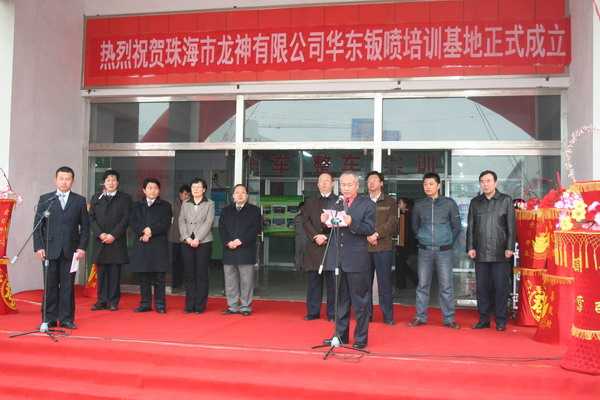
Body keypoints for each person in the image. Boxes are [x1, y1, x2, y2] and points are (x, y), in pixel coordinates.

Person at [321, 171, 375, 350]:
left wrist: (352, 222)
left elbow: (369, 228)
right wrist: (325, 221)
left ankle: (361, 337)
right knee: (340, 301)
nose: (345, 188)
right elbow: (332, 227)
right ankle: (340, 335)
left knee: (360, 302)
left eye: (349, 184)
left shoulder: (367, 204)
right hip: (338, 258)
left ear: (357, 186)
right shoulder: (336, 203)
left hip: (357, 259)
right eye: (343, 185)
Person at [33, 166, 89, 329]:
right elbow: (37, 226)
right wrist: (39, 247)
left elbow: (86, 227)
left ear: (72, 181)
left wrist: (82, 247)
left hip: (71, 250)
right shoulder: (46, 199)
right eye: (61, 178)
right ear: (55, 180)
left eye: (68, 179)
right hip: (49, 249)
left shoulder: (79, 201)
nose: (64, 182)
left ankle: (66, 319)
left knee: (67, 286)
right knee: (49, 285)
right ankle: (48, 318)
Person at [408, 172, 461, 329]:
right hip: (425, 251)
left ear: (438, 185)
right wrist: (421, 237)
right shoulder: (419, 205)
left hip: (444, 251)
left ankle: (449, 319)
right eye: (425, 184)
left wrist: (447, 241)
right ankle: (420, 317)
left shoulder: (449, 203)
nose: (427, 187)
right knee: (423, 285)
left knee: (446, 286)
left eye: (431, 184)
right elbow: (414, 226)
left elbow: (456, 227)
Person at [467, 170, 515, 332]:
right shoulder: (475, 202)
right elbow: (471, 227)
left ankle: (501, 320)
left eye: (488, 181)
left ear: (495, 183)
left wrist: (510, 247)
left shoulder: (506, 200)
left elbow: (511, 226)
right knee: (482, 288)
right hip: (480, 252)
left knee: (501, 288)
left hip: (500, 252)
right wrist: (470, 247)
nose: (485, 184)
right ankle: (483, 319)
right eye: (482, 181)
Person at [89, 169, 132, 311]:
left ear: (118, 183)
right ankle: (101, 300)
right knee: (101, 273)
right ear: (104, 182)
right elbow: (91, 218)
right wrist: (100, 234)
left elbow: (126, 219)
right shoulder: (96, 197)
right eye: (108, 180)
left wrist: (113, 235)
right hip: (100, 241)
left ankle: (113, 301)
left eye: (113, 180)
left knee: (114, 274)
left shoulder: (125, 198)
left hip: (116, 241)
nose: (111, 183)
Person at [129, 178, 172, 314]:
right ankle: (145, 303)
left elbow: (165, 224)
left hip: (158, 245)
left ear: (159, 190)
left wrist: (150, 231)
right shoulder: (136, 205)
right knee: (144, 276)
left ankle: (160, 304)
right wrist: (143, 231)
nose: (152, 190)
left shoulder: (165, 206)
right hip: (142, 244)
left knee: (159, 277)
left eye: (155, 188)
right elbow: (133, 222)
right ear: (144, 190)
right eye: (149, 188)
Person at [219, 184, 261, 316]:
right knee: (230, 281)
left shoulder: (254, 210)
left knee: (246, 281)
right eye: (237, 192)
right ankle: (232, 306)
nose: (240, 195)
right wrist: (228, 242)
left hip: (246, 250)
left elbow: (255, 229)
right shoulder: (226, 211)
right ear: (233, 196)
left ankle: (245, 307)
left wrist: (240, 241)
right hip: (229, 250)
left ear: (247, 196)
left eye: (243, 192)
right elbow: (222, 229)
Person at [300, 172, 336, 321]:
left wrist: (326, 236)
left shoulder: (339, 201)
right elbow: (305, 221)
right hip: (314, 247)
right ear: (317, 184)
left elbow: (341, 222)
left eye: (327, 181)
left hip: (332, 246)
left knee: (333, 283)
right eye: (321, 181)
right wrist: (316, 236)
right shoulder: (310, 201)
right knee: (314, 282)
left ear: (332, 183)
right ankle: (313, 312)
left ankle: (332, 314)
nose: (324, 183)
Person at [366, 171, 398, 325]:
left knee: (385, 284)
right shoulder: (362, 201)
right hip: (365, 248)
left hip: (383, 248)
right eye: (369, 180)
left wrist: (377, 234)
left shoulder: (390, 202)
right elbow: (357, 221)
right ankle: (366, 315)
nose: (371, 183)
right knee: (365, 284)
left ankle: (388, 316)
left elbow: (392, 223)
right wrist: (367, 235)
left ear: (381, 183)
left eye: (374, 180)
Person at [179, 178, 214, 314]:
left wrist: (198, 238)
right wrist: (187, 238)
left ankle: (200, 305)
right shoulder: (185, 203)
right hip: (187, 242)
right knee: (189, 274)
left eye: (199, 187)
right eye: (193, 187)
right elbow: (181, 221)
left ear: (204, 189)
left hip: (203, 242)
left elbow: (208, 222)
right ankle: (190, 304)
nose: (196, 190)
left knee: (201, 274)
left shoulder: (210, 203)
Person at [168, 184, 190, 292]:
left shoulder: (191, 205)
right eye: (184, 194)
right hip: (174, 237)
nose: (186, 196)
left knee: (185, 262)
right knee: (174, 262)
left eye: (188, 195)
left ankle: (184, 284)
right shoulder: (173, 205)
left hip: (186, 239)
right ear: (180, 194)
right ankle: (175, 284)